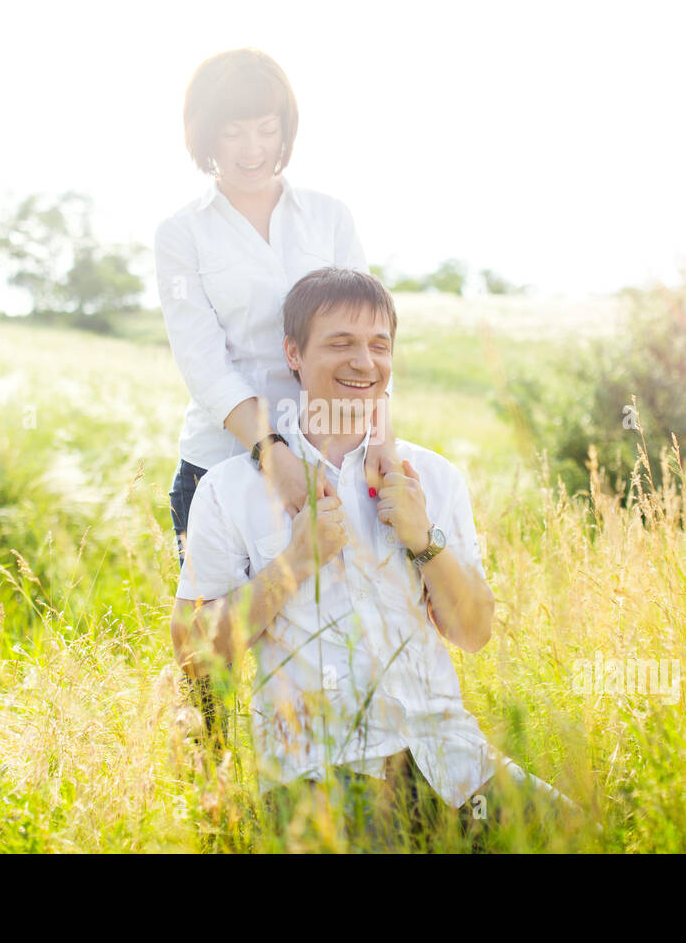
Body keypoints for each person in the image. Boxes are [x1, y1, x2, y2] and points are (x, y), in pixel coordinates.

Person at [170, 268, 582, 849]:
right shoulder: (228, 489)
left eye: (379, 346)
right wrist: (296, 562)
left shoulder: (431, 478)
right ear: (294, 353)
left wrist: (424, 539)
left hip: (451, 758)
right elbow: (192, 649)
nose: (364, 362)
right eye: (340, 343)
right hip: (323, 772)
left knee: (580, 833)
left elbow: (475, 631)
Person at [155, 49, 398, 737]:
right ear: (204, 133)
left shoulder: (327, 216)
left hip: (333, 449)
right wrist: (270, 449)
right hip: (224, 459)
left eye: (265, 127)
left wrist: (378, 442)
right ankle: (215, 801)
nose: (251, 148)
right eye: (232, 130)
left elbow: (365, 332)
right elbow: (202, 363)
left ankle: (342, 778)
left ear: (284, 127)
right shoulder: (183, 233)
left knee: (330, 633)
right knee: (215, 653)